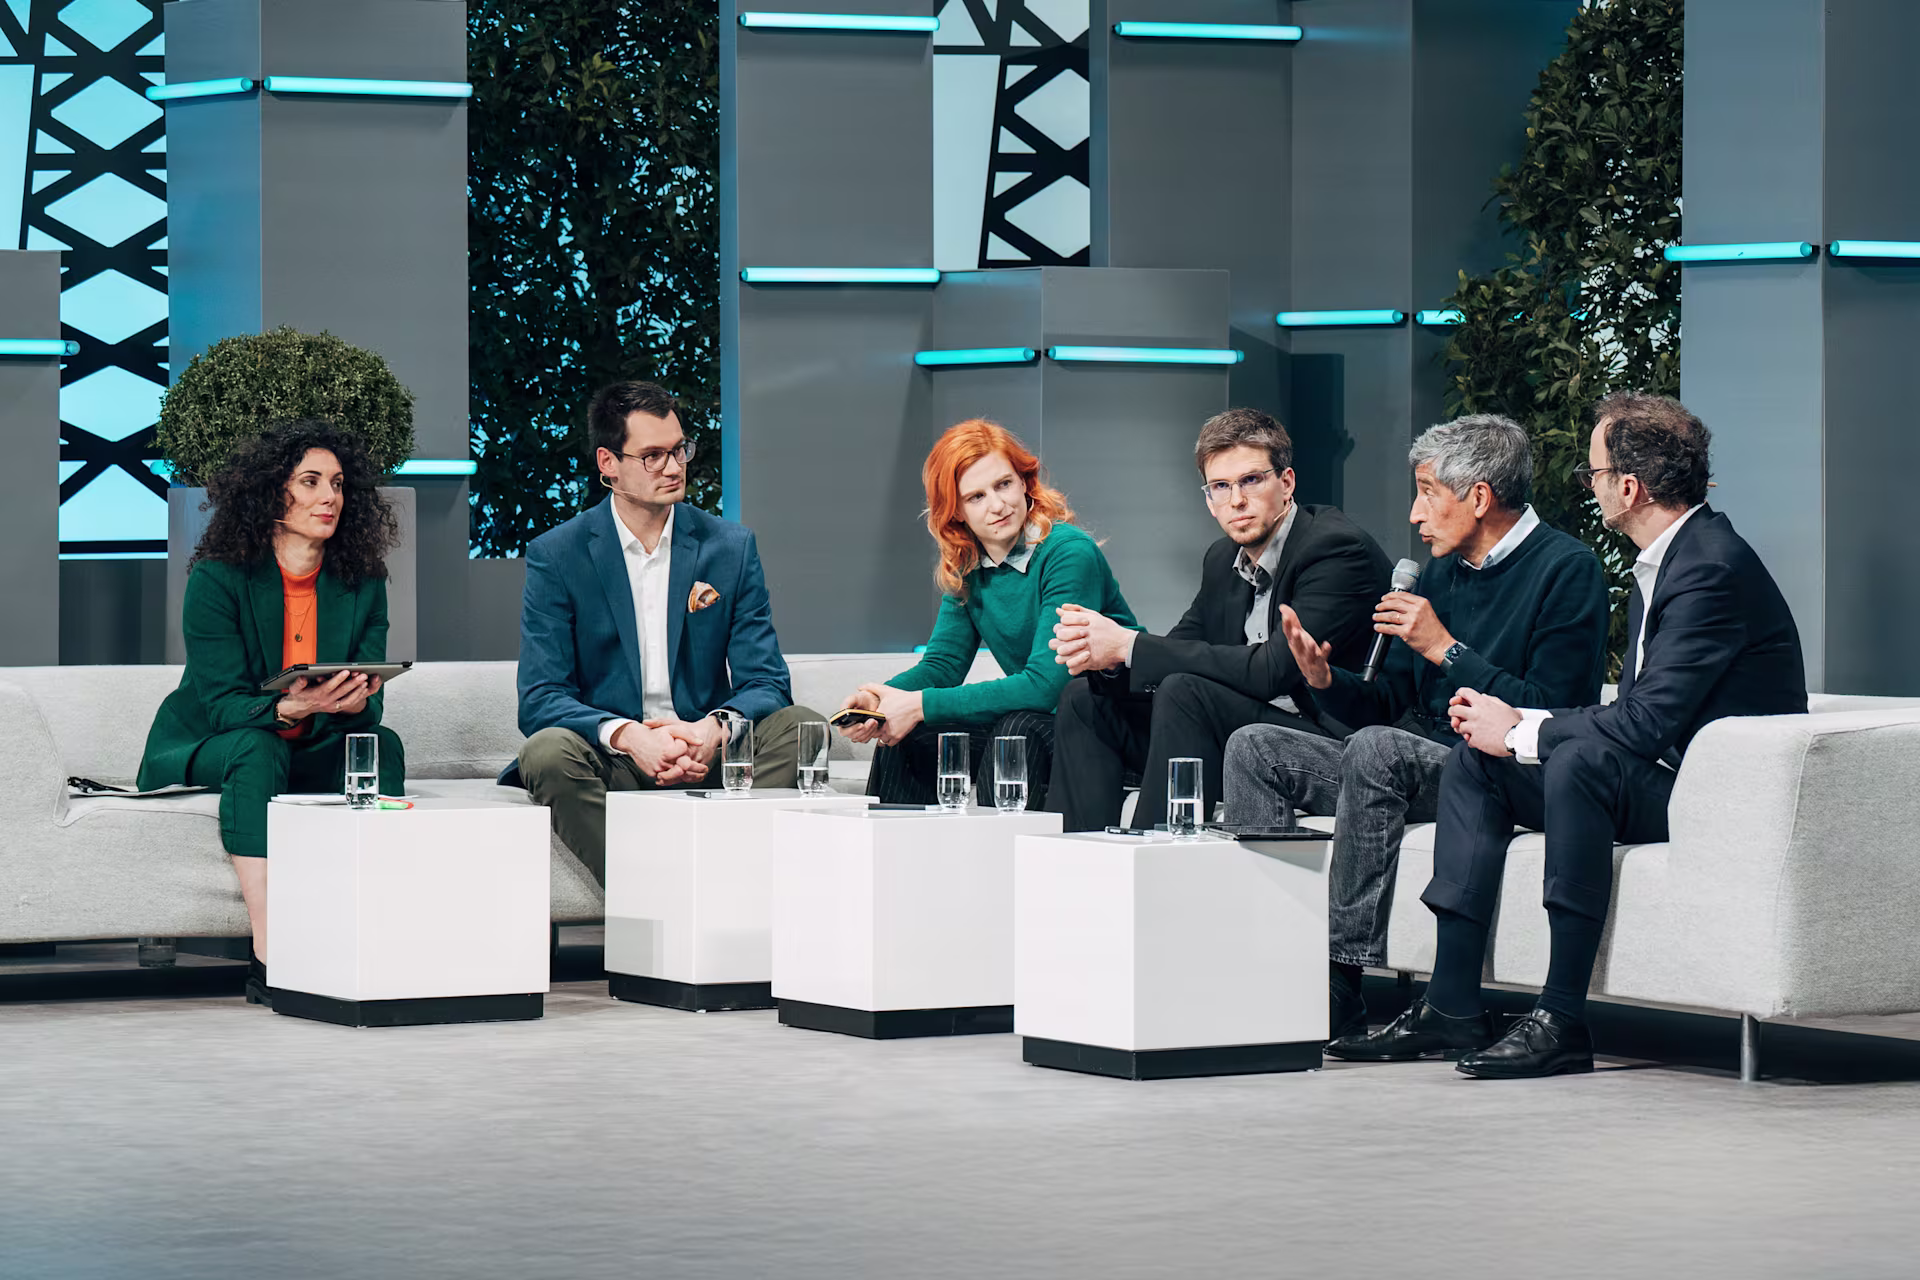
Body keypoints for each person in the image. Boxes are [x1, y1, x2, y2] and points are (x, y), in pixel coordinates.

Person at [1328, 391, 1807, 1078]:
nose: (1589, 487)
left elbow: (1642, 724)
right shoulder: (1672, 559)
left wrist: (1522, 729)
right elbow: (1640, 714)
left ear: (1629, 488)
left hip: (1715, 798)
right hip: (1671, 779)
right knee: (1477, 760)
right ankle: (1451, 1004)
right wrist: (1505, 738)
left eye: (1594, 473)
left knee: (1578, 761)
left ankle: (1561, 1019)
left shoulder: (1710, 568)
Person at [1222, 415, 1609, 1039]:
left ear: (1478, 497)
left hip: (1503, 767)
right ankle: (1264, 957)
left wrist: (1445, 649)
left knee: (1379, 749)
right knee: (1255, 747)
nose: (1414, 513)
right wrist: (1325, 680)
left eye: (1427, 492)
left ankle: (1338, 977)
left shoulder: (1567, 568)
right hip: (1409, 754)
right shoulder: (1439, 571)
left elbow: (1552, 711)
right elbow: (1387, 703)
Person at [138, 419, 406, 1006]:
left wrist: (356, 699)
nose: (329, 496)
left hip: (312, 737)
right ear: (270, 493)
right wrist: (290, 705)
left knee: (381, 744)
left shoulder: (363, 580)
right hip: (217, 739)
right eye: (310, 481)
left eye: (337, 484)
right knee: (257, 747)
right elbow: (222, 705)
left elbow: (372, 695)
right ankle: (270, 946)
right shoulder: (218, 577)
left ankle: (374, 924)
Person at [509, 381, 821, 884]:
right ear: (608, 463)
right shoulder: (559, 554)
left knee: (804, 726)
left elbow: (767, 682)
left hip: (706, 753)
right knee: (546, 754)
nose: (674, 467)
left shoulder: (730, 547)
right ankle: (657, 891)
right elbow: (542, 697)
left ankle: (712, 881)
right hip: (614, 759)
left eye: (679, 450)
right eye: (653, 456)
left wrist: (711, 731)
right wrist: (631, 737)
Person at [1045, 408, 1390, 832]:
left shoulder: (1336, 549)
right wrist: (1111, 660)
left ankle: (1154, 855)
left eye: (1251, 480)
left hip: (1324, 744)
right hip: (1244, 729)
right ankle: (1078, 858)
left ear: (1286, 483)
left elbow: (1273, 671)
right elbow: (1181, 645)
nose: (1236, 501)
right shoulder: (1222, 558)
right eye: (1221, 487)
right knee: (1084, 697)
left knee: (1185, 691)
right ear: (1209, 500)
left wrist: (1128, 645)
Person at [837, 419, 1137, 809]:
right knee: (915, 736)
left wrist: (919, 704)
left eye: (1003, 484)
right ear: (956, 511)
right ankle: (891, 848)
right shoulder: (969, 564)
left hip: (1112, 727)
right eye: (976, 496)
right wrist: (880, 700)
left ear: (1025, 483)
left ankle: (1001, 851)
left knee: (1016, 730)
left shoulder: (1068, 553)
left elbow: (1045, 686)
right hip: (1046, 723)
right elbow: (943, 665)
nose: (997, 505)